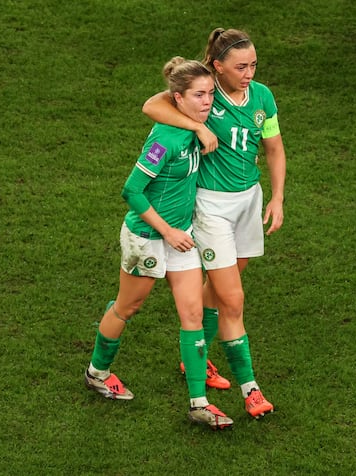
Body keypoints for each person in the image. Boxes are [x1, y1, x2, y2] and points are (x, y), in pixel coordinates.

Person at [142, 28, 286, 419]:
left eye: (254, 64)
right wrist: (198, 126)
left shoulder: (262, 96)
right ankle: (251, 390)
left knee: (222, 289)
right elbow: (152, 106)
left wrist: (277, 196)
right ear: (217, 66)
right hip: (211, 208)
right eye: (240, 66)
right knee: (233, 299)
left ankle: (196, 357)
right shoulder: (204, 93)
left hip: (248, 202)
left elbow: (272, 146)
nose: (249, 73)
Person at [85, 56, 233, 430]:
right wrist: (168, 231)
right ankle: (96, 373)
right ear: (178, 99)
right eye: (198, 95)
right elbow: (131, 191)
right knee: (128, 306)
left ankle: (199, 404)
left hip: (180, 238)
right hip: (148, 237)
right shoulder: (166, 139)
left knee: (193, 314)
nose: (207, 102)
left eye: (210, 93)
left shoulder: (195, 126)